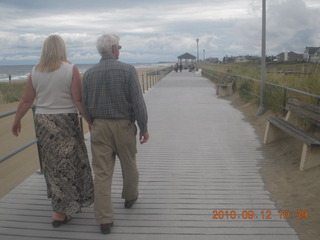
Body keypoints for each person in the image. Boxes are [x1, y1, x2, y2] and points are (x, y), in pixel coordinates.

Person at [11, 35, 94, 228]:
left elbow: (26, 100)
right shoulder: (70, 69)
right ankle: (64, 208)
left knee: (52, 165)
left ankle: (59, 208)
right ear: (62, 49)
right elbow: (78, 101)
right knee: (72, 163)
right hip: (66, 121)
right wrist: (90, 121)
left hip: (43, 122)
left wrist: (17, 120)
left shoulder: (35, 71)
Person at [82, 33, 149, 235]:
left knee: (102, 173)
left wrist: (93, 123)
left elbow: (85, 105)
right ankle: (130, 197)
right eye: (118, 46)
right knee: (129, 163)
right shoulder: (128, 70)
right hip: (124, 126)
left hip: (99, 126)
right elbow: (138, 102)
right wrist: (143, 127)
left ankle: (104, 219)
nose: (119, 49)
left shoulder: (89, 73)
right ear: (113, 49)